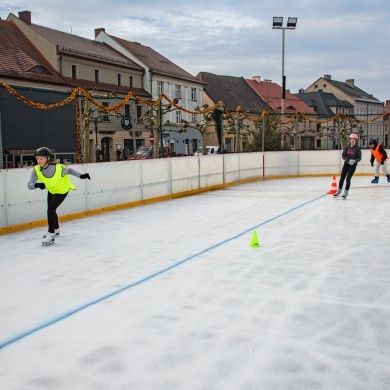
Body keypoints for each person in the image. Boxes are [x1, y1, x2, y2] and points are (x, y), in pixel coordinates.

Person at [27, 147, 91, 246]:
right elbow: (29, 185)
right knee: (51, 210)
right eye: (37, 158)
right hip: (52, 191)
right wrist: (37, 185)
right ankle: (56, 229)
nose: (39, 161)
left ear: (48, 158)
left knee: (51, 210)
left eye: (42, 158)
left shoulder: (58, 168)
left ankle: (51, 234)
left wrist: (81, 175)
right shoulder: (36, 170)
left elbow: (70, 170)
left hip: (62, 191)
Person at [333, 133, 362, 199]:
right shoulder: (347, 147)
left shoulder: (357, 149)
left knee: (348, 178)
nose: (352, 140)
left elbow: (359, 157)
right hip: (346, 164)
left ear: (356, 140)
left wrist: (354, 161)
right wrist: (348, 160)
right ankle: (339, 191)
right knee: (342, 177)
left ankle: (345, 192)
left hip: (353, 165)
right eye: (351, 139)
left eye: (354, 139)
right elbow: (343, 155)